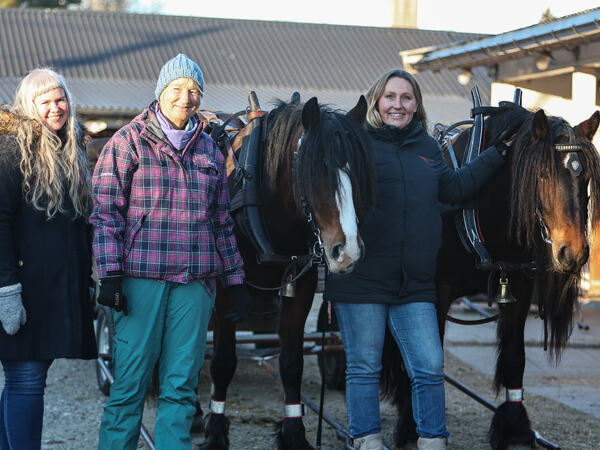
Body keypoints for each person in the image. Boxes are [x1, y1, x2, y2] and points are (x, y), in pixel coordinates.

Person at [324, 69, 515, 450]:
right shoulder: (356, 145)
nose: (398, 104)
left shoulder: (428, 147)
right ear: (377, 101)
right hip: (363, 280)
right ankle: (366, 439)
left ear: (416, 104)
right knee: (364, 368)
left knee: (428, 368)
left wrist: (497, 154)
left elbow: (455, 188)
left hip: (415, 284)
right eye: (390, 97)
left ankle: (432, 440)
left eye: (406, 97)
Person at [91, 53, 252, 450]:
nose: (186, 97)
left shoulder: (210, 153)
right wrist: (110, 273)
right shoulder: (127, 142)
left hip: (195, 284)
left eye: (194, 90)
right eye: (178, 89)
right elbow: (106, 213)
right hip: (141, 280)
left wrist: (235, 280)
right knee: (131, 383)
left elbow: (221, 223)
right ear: (161, 92)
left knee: (181, 385)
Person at [0, 68, 97, 449]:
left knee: (24, 379)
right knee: (26, 381)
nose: (56, 108)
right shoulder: (11, 150)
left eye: (61, 99)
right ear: (29, 104)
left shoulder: (68, 149)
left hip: (50, 288)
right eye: (46, 102)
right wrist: (6, 290)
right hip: (21, 289)